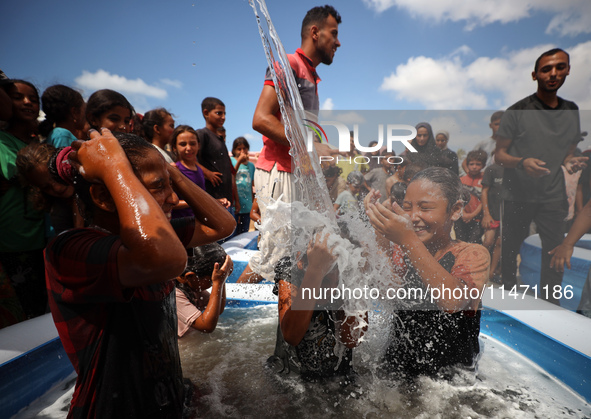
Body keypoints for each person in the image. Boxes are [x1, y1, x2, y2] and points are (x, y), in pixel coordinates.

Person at [44, 128, 236, 418]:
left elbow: (222, 225)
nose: (173, 198)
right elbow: (166, 261)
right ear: (104, 197)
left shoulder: (156, 239)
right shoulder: (70, 249)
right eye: (159, 186)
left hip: (165, 400)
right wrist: (116, 167)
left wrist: (173, 174)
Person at [365, 167, 490, 378]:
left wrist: (407, 240)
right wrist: (379, 231)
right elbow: (387, 291)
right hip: (399, 370)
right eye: (407, 207)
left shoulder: (472, 254)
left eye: (425, 208)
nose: (413, 217)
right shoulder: (403, 251)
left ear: (455, 210)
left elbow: (452, 302)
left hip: (450, 382)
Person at [495, 48, 587, 303]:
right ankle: (507, 298)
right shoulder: (517, 111)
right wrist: (522, 162)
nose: (553, 73)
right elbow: (499, 155)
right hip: (517, 194)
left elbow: (566, 153)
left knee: (555, 253)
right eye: (546, 69)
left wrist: (571, 161)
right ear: (535, 75)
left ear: (568, 70)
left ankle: (551, 306)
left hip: (551, 195)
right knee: (510, 249)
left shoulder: (572, 110)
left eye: (560, 67)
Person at [267, 231, 366, 382]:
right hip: (291, 376)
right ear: (301, 262)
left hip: (338, 378)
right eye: (325, 281)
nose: (330, 289)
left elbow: (352, 339)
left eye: (335, 283)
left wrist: (353, 280)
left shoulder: (347, 275)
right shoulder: (291, 269)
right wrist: (315, 272)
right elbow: (291, 336)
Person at [0, 80, 47, 320]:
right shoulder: (3, 141)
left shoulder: (36, 144)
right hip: (15, 240)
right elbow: (15, 172)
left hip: (41, 237)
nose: (28, 103)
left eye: (33, 99)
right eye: (18, 97)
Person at [16, 142, 82, 236]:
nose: (57, 188)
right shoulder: (59, 213)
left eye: (57, 177)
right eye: (46, 187)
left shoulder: (95, 185)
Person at [176, 244, 231, 337]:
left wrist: (223, 279)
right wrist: (218, 282)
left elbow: (218, 310)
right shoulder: (175, 294)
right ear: (190, 276)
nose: (212, 284)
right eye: (211, 281)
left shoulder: (192, 285)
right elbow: (207, 326)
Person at [196, 97, 238, 217]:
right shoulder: (202, 134)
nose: (223, 117)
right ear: (206, 113)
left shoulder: (219, 139)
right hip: (214, 199)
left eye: (224, 113)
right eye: (219, 113)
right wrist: (207, 173)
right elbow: (189, 160)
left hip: (227, 200)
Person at [169, 125, 206, 219]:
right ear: (174, 147)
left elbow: (202, 198)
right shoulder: (174, 170)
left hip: (198, 223)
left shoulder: (199, 170)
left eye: (192, 144)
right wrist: (195, 202)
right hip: (181, 224)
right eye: (183, 144)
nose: (188, 148)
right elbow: (170, 203)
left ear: (199, 145)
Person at [454, 150, 487, 244]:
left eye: (478, 164)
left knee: (474, 243)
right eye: (471, 164)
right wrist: (463, 213)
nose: (474, 167)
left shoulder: (484, 181)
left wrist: (472, 215)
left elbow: (484, 200)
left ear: (483, 165)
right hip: (461, 218)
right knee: (460, 243)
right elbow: (457, 198)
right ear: (467, 165)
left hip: (477, 219)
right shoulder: (461, 180)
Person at [481, 161, 504, 282]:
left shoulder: (514, 169)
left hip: (505, 214)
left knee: (499, 243)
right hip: (492, 212)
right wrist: (486, 213)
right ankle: (481, 268)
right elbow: (484, 191)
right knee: (488, 241)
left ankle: (492, 272)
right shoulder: (492, 169)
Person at [231, 137, 256, 235]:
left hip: (247, 205)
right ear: (234, 150)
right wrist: (239, 162)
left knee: (244, 233)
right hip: (235, 204)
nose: (242, 151)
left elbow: (252, 185)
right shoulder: (231, 160)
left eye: (244, 148)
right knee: (233, 233)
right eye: (239, 149)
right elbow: (231, 175)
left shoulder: (251, 165)